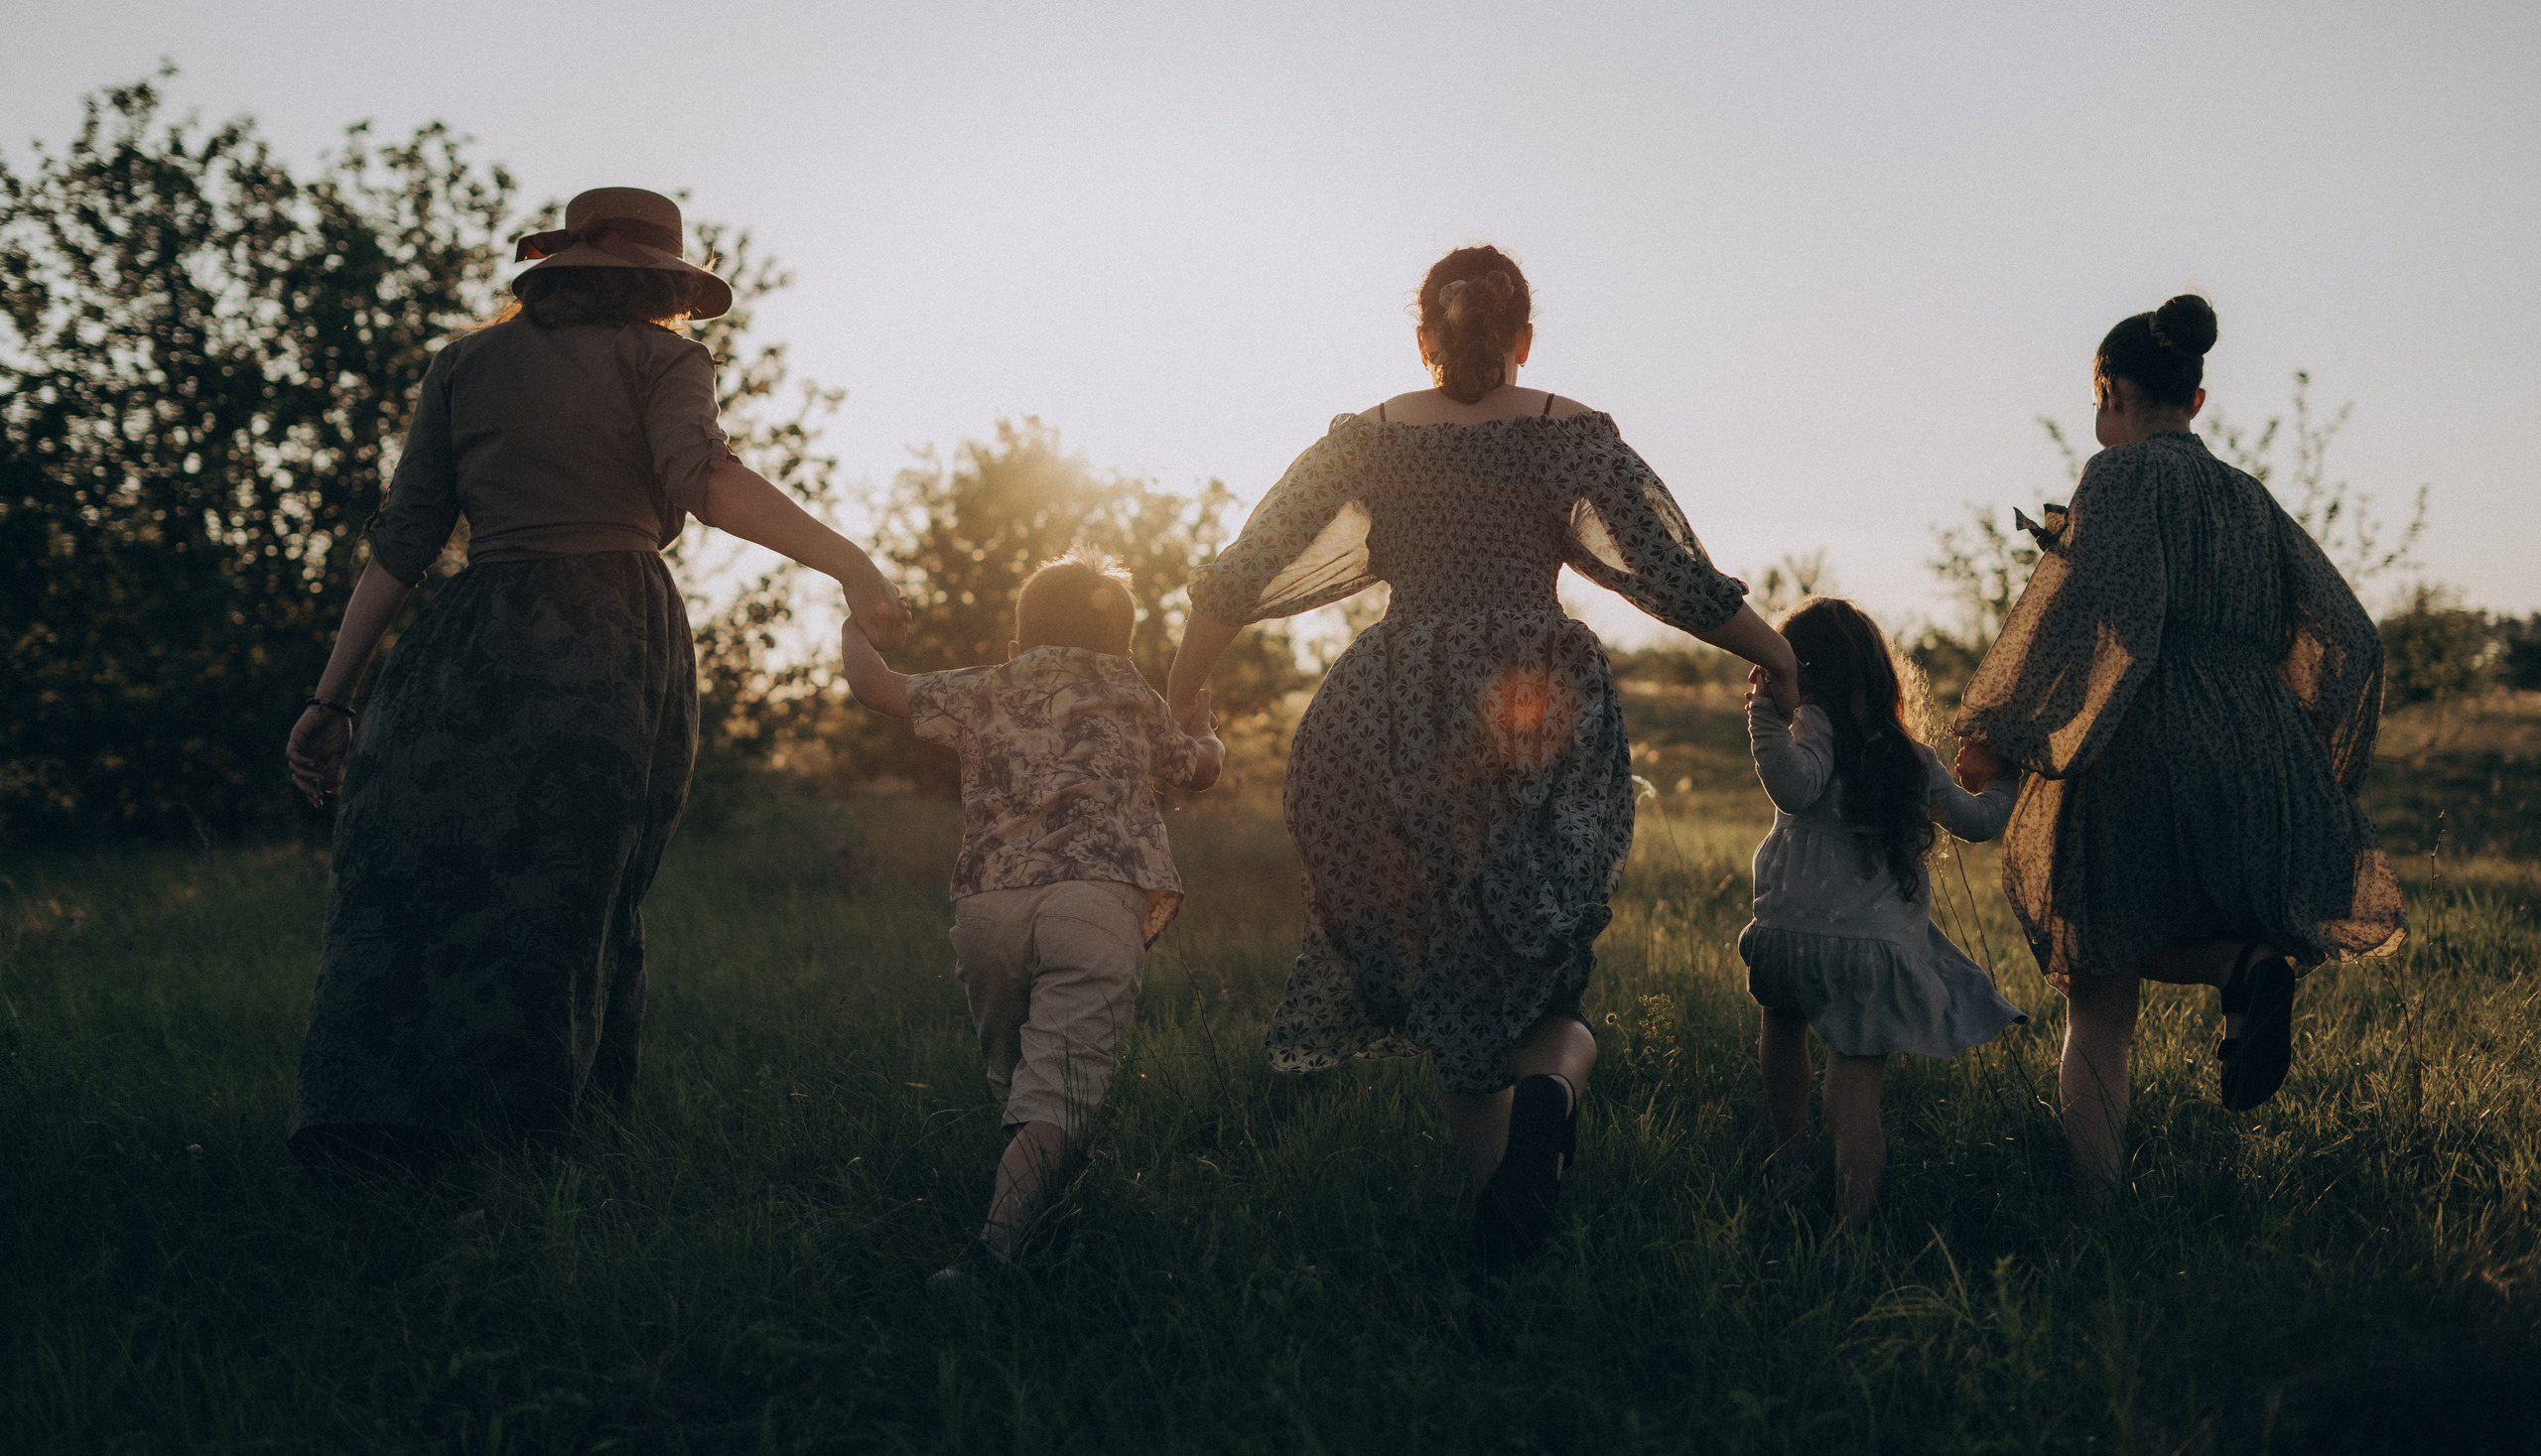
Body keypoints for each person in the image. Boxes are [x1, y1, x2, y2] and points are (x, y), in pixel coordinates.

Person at [1166, 245, 1801, 1274]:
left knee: (1445, 972)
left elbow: (1238, 576)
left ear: (1422, 341)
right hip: (1530, 708)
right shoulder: (1573, 437)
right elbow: (1674, 578)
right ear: (1522, 340)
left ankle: (1502, 1218)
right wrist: (1776, 655)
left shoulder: (1362, 442)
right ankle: (1543, 1110)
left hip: (1387, 716)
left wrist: (1185, 691)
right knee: (1531, 968)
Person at [282, 188, 908, 1168]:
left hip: (461, 643)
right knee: (572, 892)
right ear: (660, 284)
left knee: (415, 875)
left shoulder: (464, 363)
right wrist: (850, 563)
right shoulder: (662, 359)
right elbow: (702, 481)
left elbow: (404, 544)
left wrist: (330, 699)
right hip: (602, 638)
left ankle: (373, 1134)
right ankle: (532, 1142)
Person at [1952, 293, 2402, 1192]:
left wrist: (1997, 733)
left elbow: (2071, 619)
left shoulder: (2116, 478)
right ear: (2197, 401)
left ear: (2109, 392)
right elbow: (2354, 635)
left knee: (2100, 985)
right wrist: (2304, 754)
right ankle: (2245, 965)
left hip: (2143, 745)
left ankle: (2099, 1218)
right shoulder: (2249, 498)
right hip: (2258, 747)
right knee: (2177, 926)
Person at [836, 551, 1224, 1285]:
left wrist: (858, 622)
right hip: (1097, 902)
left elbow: (873, 686)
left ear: (1019, 645)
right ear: (1122, 646)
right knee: (1057, 1088)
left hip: (990, 905)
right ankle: (996, 1255)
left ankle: (1036, 1184)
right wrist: (1205, 733)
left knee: (1013, 1074)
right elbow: (1198, 769)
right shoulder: (1132, 691)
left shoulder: (987, 685)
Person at [1741, 597, 2024, 1229]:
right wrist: (2007, 777)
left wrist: (1765, 709)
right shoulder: (1910, 758)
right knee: (1854, 1092)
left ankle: (1788, 1150)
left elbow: (1791, 787)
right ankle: (1851, 1231)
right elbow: (1978, 823)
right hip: (1867, 953)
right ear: (1879, 673)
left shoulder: (1808, 733)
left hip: (1785, 935)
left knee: (1782, 1028)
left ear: (1797, 674)